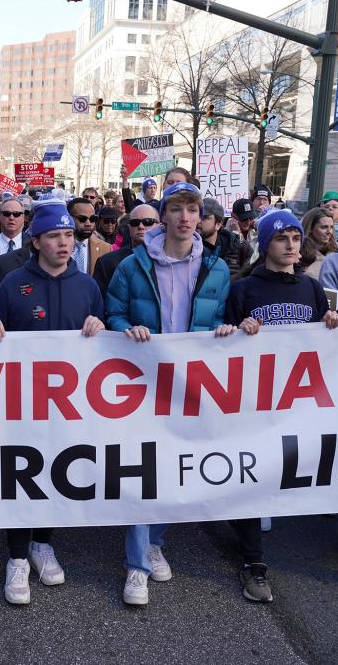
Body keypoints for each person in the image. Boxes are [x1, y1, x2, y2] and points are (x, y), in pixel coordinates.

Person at [104, 182, 232, 606]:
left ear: (201, 216)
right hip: (142, 382)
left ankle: (156, 540)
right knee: (145, 471)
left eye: (191, 209)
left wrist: (228, 331)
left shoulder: (217, 268)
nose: (184, 216)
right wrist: (127, 328)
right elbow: (114, 313)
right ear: (164, 216)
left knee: (179, 467)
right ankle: (136, 566)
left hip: (190, 385)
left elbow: (222, 317)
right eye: (175, 208)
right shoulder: (131, 266)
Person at [0, 196, 105, 605]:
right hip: (21, 404)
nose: (65, 243)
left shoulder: (87, 286)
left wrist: (99, 325)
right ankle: (17, 556)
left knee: (59, 473)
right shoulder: (12, 283)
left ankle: (43, 543)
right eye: (55, 236)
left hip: (69, 405)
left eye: (69, 235)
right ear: (36, 241)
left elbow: (103, 341)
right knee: (23, 476)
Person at [223, 210, 338, 604]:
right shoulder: (243, 288)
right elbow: (218, 346)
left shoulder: (310, 290)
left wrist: (334, 323)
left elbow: (321, 346)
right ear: (266, 244)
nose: (292, 245)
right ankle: (253, 560)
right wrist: (237, 331)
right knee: (251, 474)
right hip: (252, 399)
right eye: (282, 238)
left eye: (296, 237)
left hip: (294, 400)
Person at [93, 204, 159, 296]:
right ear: (129, 228)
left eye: (148, 222)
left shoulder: (169, 262)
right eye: (135, 223)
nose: (141, 226)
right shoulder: (106, 262)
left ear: (159, 226)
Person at [198, 198, 251, 276]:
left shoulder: (237, 245)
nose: (198, 221)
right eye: (197, 216)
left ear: (218, 224)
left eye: (205, 218)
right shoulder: (187, 248)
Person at [299, 207, 338, 279]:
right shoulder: (298, 255)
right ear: (310, 228)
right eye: (324, 227)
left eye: (331, 227)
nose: (329, 232)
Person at [230, 199, 260, 265]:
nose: (248, 222)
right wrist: (238, 234)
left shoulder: (256, 231)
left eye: (251, 218)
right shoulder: (225, 235)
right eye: (244, 219)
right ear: (233, 216)